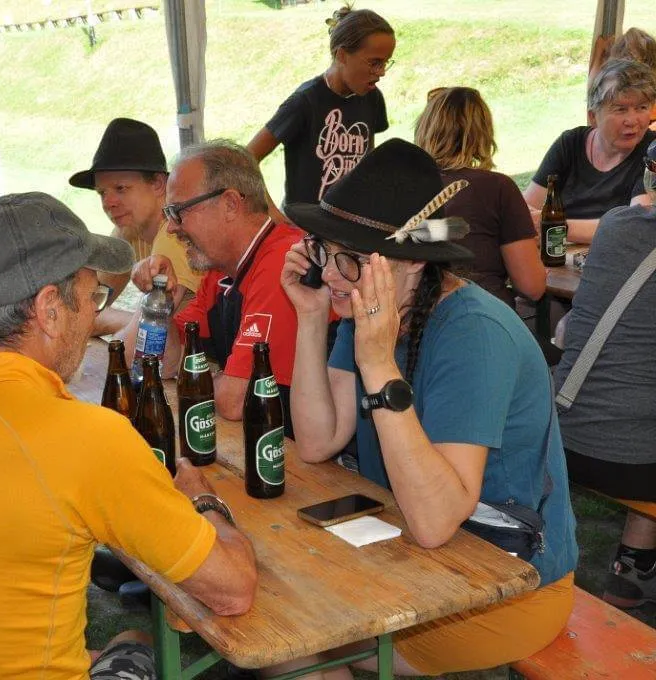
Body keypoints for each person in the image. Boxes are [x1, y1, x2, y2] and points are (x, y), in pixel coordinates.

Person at [0, 192, 257, 679]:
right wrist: (205, 503)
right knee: (139, 646)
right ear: (50, 309)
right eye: (93, 297)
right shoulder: (88, 439)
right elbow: (233, 589)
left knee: (110, 642)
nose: (92, 314)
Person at [279, 139, 578, 676]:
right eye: (324, 250)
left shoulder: (473, 334)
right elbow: (319, 440)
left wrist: (378, 364)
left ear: (414, 261)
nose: (331, 274)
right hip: (417, 550)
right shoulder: (369, 303)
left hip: (505, 582)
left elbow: (436, 521)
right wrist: (310, 316)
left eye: (351, 260)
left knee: (292, 640)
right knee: (283, 610)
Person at [127, 140, 309, 438]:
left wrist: (212, 379)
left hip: (312, 458)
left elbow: (233, 401)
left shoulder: (282, 262)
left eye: (178, 211)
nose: (171, 227)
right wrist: (161, 303)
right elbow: (167, 363)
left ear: (230, 204)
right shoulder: (220, 270)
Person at [554, 139, 656, 610]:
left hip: (564, 434)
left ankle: (634, 569)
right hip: (633, 462)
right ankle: (634, 566)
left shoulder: (615, 225)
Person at [247, 6, 393, 222]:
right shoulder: (305, 101)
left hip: (348, 225)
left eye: (385, 63)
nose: (381, 72)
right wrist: (275, 215)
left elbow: (366, 162)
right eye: (374, 62)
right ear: (342, 55)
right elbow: (246, 157)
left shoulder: (372, 98)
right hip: (305, 228)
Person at [414, 86, 545, 308]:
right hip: (481, 314)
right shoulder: (497, 187)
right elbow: (532, 287)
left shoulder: (401, 186)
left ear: (425, 128)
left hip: (416, 318)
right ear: (483, 133)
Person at [69, 118, 200, 335]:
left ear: (158, 184)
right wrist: (135, 321)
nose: (108, 202)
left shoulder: (173, 236)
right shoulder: (129, 229)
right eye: (102, 192)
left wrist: (136, 322)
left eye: (121, 188)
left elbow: (156, 332)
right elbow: (90, 307)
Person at [524, 58, 656, 244]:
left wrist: (555, 227)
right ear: (593, 116)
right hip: (559, 254)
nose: (632, 120)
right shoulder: (571, 143)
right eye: (621, 109)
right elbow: (528, 207)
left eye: (641, 108)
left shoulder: (652, 152)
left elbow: (635, 225)